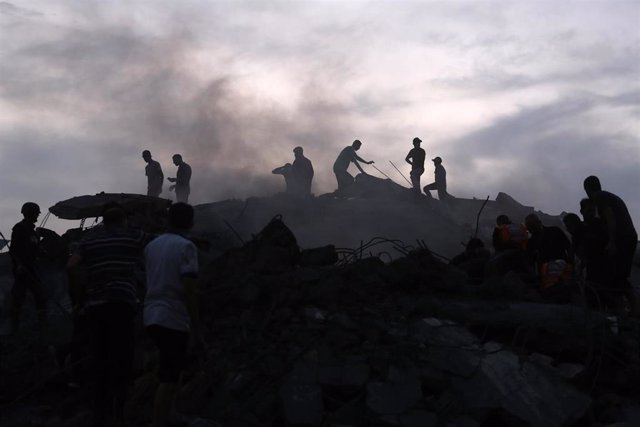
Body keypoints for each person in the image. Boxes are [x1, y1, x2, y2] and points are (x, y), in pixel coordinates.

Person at [66, 202, 149, 426]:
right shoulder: (132, 235)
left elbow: (71, 266)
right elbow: (156, 243)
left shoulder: (89, 240)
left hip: (96, 305)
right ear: (123, 220)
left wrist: (80, 295)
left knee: (100, 358)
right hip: (122, 303)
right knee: (123, 358)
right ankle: (120, 413)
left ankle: (99, 415)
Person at [144, 203, 200, 427]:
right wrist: (196, 323)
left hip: (151, 314)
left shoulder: (152, 246)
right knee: (169, 376)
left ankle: (170, 415)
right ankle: (159, 421)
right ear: (190, 222)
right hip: (173, 316)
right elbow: (188, 287)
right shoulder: (186, 247)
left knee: (170, 370)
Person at [583, 175, 638, 314]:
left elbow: (609, 216)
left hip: (623, 237)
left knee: (619, 275)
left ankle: (635, 309)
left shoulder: (599, 197)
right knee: (617, 276)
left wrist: (612, 241)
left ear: (587, 188)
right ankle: (624, 309)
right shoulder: (609, 196)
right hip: (629, 236)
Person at [9, 202, 46, 334]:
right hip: (22, 269)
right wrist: (19, 265)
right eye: (36, 213)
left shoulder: (34, 232)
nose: (37, 215)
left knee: (40, 296)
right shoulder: (19, 228)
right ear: (30, 213)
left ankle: (42, 325)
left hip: (32, 269)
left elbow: (36, 250)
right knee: (18, 298)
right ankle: (14, 328)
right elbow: (13, 250)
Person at [525, 213, 572, 298]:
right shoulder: (531, 242)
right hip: (547, 276)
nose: (530, 229)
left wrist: (571, 265)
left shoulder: (555, 231)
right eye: (529, 227)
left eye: (531, 226)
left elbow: (569, 248)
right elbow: (530, 261)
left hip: (561, 272)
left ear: (539, 222)